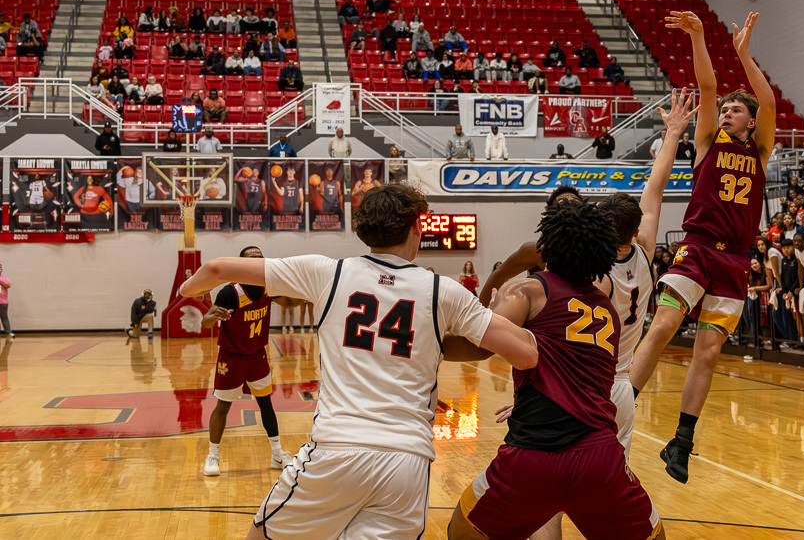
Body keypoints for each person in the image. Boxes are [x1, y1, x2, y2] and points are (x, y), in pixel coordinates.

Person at [179, 185, 537, 537]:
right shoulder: (443, 290)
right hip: (407, 460)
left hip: (336, 450)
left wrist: (187, 292)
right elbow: (524, 354)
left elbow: (214, 269)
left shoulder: (326, 271)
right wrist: (506, 301)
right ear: (417, 227)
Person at [446, 201, 665, 540]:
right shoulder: (606, 309)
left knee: (462, 532)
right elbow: (580, 374)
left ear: (548, 243)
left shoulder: (530, 289)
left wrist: (429, 344)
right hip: (600, 456)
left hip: (533, 454)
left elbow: (480, 347)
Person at [628, 11, 775, 485]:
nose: (728, 112)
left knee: (708, 354)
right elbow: (707, 88)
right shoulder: (710, 141)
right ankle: (621, 404)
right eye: (727, 110)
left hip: (734, 258)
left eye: (738, 110)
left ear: (752, 122)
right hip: (697, 248)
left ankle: (683, 439)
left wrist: (743, 54)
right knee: (666, 324)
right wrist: (698, 37)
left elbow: (768, 99)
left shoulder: (761, 150)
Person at [186, 246, 289, 475]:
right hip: (232, 356)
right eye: (251, 258)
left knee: (266, 405)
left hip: (257, 354)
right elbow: (206, 322)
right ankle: (212, 456)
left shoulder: (269, 287)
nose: (256, 261)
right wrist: (212, 317)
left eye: (259, 257)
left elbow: (289, 301)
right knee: (223, 406)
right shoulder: (230, 293)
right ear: (241, 265)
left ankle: (277, 454)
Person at [0, 264, 12, 338]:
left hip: (3, 302)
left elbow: (8, 285)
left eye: (0, 269)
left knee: (4, 317)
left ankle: (8, 332)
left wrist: (0, 281)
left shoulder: (5, 278)